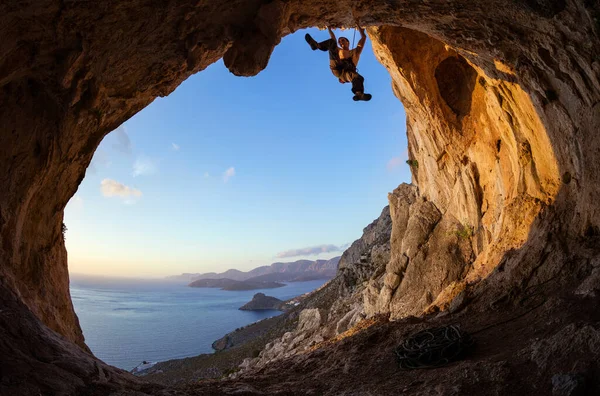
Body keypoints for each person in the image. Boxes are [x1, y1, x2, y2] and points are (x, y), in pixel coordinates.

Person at [305, 25, 372, 101]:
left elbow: (363, 38)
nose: (340, 42)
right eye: (339, 41)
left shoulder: (355, 52)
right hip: (337, 64)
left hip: (341, 73)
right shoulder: (338, 50)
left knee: (357, 77)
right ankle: (316, 45)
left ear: (348, 42)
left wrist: (359, 26)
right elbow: (333, 38)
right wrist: (329, 28)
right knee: (332, 42)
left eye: (342, 40)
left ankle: (359, 94)